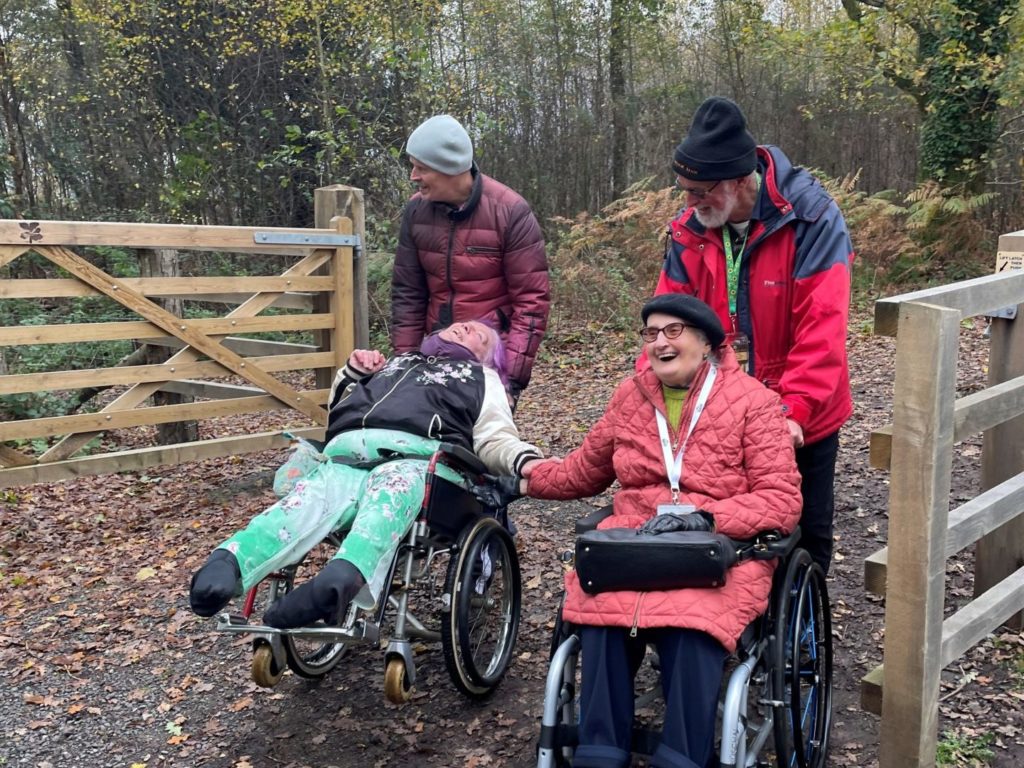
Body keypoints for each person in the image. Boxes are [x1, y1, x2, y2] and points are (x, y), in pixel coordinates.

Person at [523, 294, 802, 768]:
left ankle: (682, 757)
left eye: (673, 331)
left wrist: (709, 517)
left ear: (707, 342)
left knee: (691, 625)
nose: (659, 343)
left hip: (721, 549)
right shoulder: (629, 396)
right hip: (636, 541)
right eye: (651, 333)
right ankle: (598, 753)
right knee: (601, 618)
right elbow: (582, 471)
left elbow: (781, 500)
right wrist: (523, 475)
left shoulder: (754, 402)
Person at [188, 320, 542, 628]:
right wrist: (352, 374)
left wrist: (525, 461)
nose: (467, 326)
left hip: (419, 460)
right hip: (346, 458)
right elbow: (339, 413)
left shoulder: (482, 377)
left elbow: (495, 437)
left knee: (389, 495)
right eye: (463, 323)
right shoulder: (396, 363)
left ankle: (342, 579)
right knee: (305, 501)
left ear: (487, 357)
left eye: (480, 334)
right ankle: (229, 562)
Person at [648, 95, 853, 572]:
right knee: (732, 527)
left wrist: (793, 412)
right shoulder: (687, 230)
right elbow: (667, 322)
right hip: (721, 412)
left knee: (806, 526)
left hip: (803, 409)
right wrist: (652, 395)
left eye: (700, 192)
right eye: (684, 190)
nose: (690, 203)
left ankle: (806, 636)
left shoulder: (811, 217)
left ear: (741, 181)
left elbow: (822, 327)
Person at [391, 114, 550, 405]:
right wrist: (405, 364)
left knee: (486, 446)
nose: (413, 176)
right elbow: (408, 295)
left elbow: (531, 303)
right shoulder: (416, 211)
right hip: (435, 354)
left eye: (421, 168)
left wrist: (510, 382)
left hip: (488, 360)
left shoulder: (510, 211)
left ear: (448, 168)